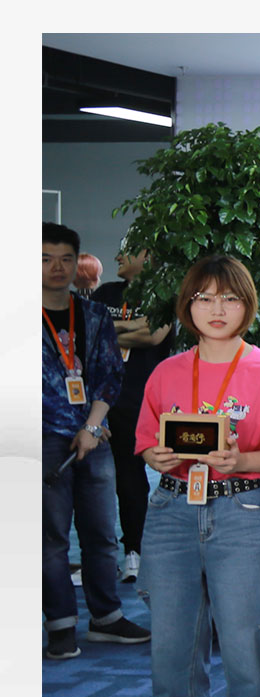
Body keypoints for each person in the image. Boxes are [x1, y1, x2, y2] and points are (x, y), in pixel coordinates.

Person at [135, 254, 260, 697]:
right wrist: (156, 456)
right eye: (203, 298)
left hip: (240, 510)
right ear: (188, 306)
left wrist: (240, 460)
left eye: (229, 298)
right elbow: (147, 442)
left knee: (247, 650)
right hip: (172, 512)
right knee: (171, 655)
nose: (216, 309)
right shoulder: (166, 371)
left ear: (247, 305)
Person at [43, 221, 145, 660]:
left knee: (102, 533)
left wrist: (92, 425)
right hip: (43, 439)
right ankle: (60, 626)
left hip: (94, 435)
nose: (58, 267)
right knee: (51, 539)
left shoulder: (95, 315)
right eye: (46, 259)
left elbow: (109, 375)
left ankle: (106, 617)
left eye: (66, 259)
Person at [95, 241, 173, 584]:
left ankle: (137, 551)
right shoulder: (105, 293)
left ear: (149, 256)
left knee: (135, 479)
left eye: (127, 250)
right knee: (99, 481)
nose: (117, 256)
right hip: (100, 400)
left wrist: (110, 330)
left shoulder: (162, 294)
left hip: (142, 400)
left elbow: (153, 335)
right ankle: (105, 557)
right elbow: (89, 334)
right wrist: (131, 328)